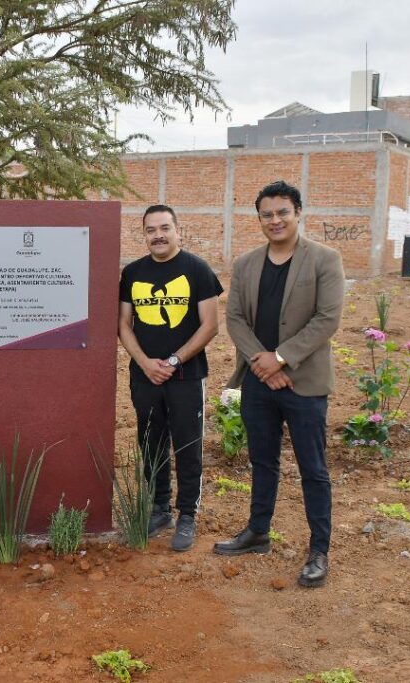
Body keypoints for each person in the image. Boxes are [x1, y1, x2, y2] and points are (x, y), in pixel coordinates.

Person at [212, 180, 343, 588]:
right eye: (267, 214)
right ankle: (257, 532)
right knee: (262, 461)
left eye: (282, 212)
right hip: (258, 382)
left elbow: (327, 319)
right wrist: (262, 362)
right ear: (259, 219)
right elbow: (234, 318)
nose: (275, 220)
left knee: (313, 468)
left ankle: (319, 549)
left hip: (303, 383)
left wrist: (281, 357)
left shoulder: (324, 259)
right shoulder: (247, 263)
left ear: (298, 213)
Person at [118, 204, 223, 552]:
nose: (158, 235)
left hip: (186, 377)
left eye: (165, 228)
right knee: (151, 444)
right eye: (151, 230)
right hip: (145, 376)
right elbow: (123, 324)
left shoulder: (197, 270)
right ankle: (159, 508)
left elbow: (210, 325)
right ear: (144, 234)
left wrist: (174, 361)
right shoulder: (132, 274)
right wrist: (146, 363)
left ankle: (187, 515)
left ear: (178, 230)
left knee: (188, 446)